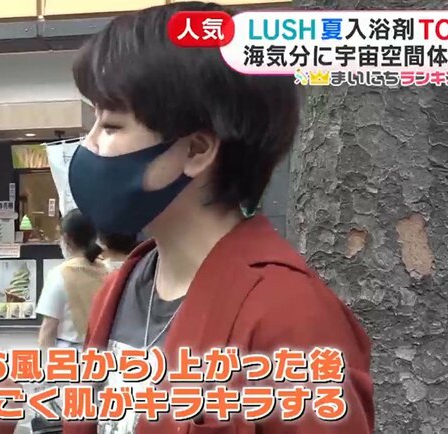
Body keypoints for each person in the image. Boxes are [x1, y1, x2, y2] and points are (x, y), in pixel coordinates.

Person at [65, 2, 374, 434]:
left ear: (196, 150)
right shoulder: (121, 288)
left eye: (112, 126)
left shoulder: (293, 318)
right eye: (94, 121)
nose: (90, 144)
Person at [37, 209, 109, 351]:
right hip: (101, 354)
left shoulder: (59, 274)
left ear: (66, 239)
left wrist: (43, 360)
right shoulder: (108, 271)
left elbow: (48, 329)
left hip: (68, 354)